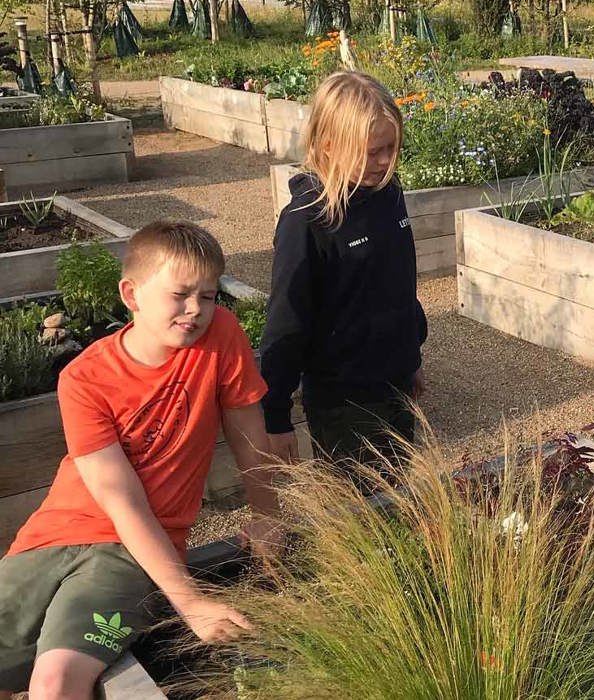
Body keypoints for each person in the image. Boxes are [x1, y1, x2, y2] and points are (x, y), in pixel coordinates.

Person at [0, 221, 282, 698]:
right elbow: (120, 498)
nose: (196, 309)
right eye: (180, 294)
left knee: (56, 681)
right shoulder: (84, 379)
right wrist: (191, 603)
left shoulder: (221, 338)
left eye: (209, 296)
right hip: (49, 538)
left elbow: (247, 436)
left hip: (130, 552)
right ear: (131, 294)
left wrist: (267, 516)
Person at [261, 71, 427, 488]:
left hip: (396, 382)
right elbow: (286, 320)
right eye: (372, 152)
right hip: (344, 398)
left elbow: (399, 282)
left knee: (398, 495)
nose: (386, 162)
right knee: (360, 507)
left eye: (391, 148)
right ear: (330, 145)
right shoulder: (308, 221)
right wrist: (275, 414)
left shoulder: (388, 193)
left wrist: (413, 355)